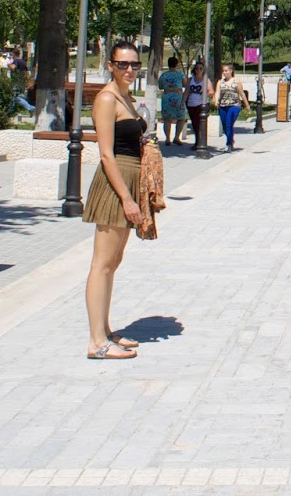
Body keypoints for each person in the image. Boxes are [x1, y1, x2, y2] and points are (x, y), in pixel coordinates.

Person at [82, 40, 150, 360]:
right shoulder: (107, 98)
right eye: (122, 64)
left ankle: (105, 331)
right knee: (102, 263)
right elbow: (106, 155)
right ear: (110, 66)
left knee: (114, 261)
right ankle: (96, 342)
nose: (129, 70)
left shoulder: (126, 98)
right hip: (115, 184)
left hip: (129, 179)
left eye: (134, 64)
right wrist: (127, 198)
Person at [213, 64, 244, 150]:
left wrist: (247, 105)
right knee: (225, 126)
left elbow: (242, 94)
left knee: (229, 124)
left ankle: (229, 144)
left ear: (231, 71)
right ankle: (231, 140)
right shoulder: (220, 82)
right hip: (223, 106)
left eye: (226, 71)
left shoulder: (236, 81)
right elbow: (217, 92)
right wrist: (216, 101)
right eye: (223, 71)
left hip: (234, 106)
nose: (224, 72)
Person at [157, 57, 187, 146]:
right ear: (176, 64)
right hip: (178, 97)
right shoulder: (180, 74)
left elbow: (160, 86)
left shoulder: (164, 75)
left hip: (167, 96)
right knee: (181, 118)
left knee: (167, 119)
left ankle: (167, 138)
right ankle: (177, 137)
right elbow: (185, 84)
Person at [185, 62, 208, 146]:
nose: (198, 70)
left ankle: (199, 143)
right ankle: (197, 141)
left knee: (199, 123)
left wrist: (205, 92)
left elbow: (211, 92)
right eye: (197, 68)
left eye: (201, 68)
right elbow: (186, 91)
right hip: (191, 104)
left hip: (201, 104)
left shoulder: (206, 80)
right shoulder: (190, 80)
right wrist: (182, 103)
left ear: (203, 70)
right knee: (194, 124)